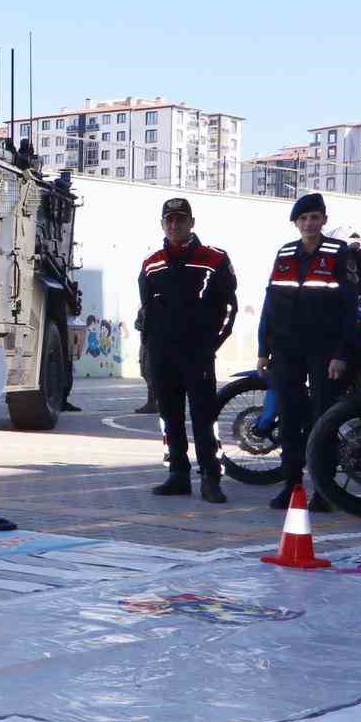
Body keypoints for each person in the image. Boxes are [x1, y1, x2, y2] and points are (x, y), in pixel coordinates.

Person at [259, 193, 359, 512]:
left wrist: (341, 353)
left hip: (325, 350)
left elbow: (349, 308)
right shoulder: (285, 253)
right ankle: (292, 486)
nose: (308, 224)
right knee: (289, 417)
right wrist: (263, 349)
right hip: (287, 348)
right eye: (303, 219)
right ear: (296, 223)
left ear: (324, 220)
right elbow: (270, 304)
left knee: (322, 418)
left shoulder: (338, 253)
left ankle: (323, 492)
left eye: (314, 217)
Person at [137, 199, 238, 504]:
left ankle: (210, 477)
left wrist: (210, 345)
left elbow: (230, 307)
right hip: (163, 355)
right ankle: (178, 474)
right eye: (169, 220)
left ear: (192, 222)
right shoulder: (151, 263)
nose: (174, 225)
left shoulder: (214, 258)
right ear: (162, 224)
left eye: (181, 219)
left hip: (198, 355)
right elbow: (147, 311)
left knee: (204, 417)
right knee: (169, 416)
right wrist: (150, 349)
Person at [133, 307, 158, 415]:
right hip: (145, 343)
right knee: (144, 371)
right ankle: (153, 402)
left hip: (154, 343)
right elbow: (137, 323)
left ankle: (153, 403)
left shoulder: (159, 305)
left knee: (151, 372)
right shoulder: (144, 308)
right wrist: (142, 325)